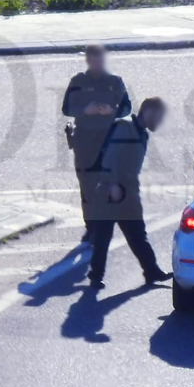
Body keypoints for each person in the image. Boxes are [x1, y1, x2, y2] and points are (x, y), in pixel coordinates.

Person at [87, 97, 173, 290]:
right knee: (103, 236)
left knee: (137, 234)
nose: (160, 122)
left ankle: (151, 271)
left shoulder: (143, 134)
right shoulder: (125, 127)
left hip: (129, 189)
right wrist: (112, 184)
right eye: (159, 117)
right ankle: (95, 276)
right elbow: (110, 156)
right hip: (112, 189)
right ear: (148, 112)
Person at [61, 45, 131, 243]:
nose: (96, 63)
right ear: (88, 60)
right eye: (92, 59)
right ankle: (91, 227)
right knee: (87, 184)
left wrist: (111, 110)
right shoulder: (78, 81)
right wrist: (85, 110)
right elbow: (66, 108)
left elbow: (127, 108)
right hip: (84, 139)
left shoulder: (114, 82)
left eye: (99, 59)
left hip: (108, 139)